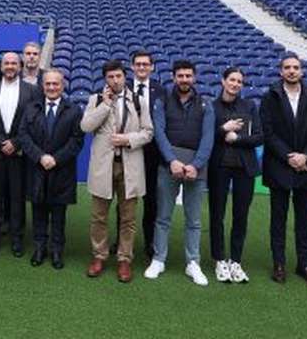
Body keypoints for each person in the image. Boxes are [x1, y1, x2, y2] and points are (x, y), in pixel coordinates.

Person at [260, 53, 307, 286]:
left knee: (304, 220)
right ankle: (279, 264)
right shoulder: (270, 96)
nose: (291, 71)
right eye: (287, 67)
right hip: (279, 165)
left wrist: (306, 155)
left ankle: (304, 264)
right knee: (278, 219)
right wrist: (289, 156)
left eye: (295, 67)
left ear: (301, 71)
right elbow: (268, 132)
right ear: (281, 71)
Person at [81, 59, 153, 283]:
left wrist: (128, 139)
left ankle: (124, 259)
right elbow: (86, 126)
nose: (115, 80)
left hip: (130, 167)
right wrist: (105, 105)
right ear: (105, 79)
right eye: (110, 77)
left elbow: (148, 132)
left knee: (128, 218)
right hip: (103, 167)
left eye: (118, 76)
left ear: (125, 76)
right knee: (98, 216)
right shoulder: (95, 99)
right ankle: (99, 256)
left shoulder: (139, 101)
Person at [145, 60, 215, 285]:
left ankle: (193, 262)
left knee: (193, 220)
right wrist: (172, 161)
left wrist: (196, 164)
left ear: (194, 77)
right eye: (180, 76)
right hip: (169, 167)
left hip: (196, 168)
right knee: (163, 217)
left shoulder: (206, 104)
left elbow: (208, 138)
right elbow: (159, 132)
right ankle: (159, 259)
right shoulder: (162, 101)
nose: (184, 79)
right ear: (174, 77)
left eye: (188, 75)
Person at [17, 70, 84, 270]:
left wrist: (56, 159)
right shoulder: (31, 108)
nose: (52, 87)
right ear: (43, 86)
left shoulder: (74, 110)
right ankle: (39, 248)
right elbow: (23, 135)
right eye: (48, 84)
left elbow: (77, 141)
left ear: (62, 86)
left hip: (61, 170)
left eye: (56, 84)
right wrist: (40, 157)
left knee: (58, 215)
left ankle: (56, 250)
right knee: (38, 211)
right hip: (37, 169)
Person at [208, 67, 263, 284]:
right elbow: (206, 137)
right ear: (223, 81)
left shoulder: (249, 106)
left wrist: (237, 138)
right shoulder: (211, 107)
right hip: (219, 167)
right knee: (217, 215)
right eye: (232, 80)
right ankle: (219, 259)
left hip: (244, 168)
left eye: (239, 81)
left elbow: (259, 137)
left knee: (241, 216)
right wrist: (223, 129)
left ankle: (236, 260)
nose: (235, 84)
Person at [0, 52, 39, 257]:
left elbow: (33, 121)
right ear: (1, 66)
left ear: (20, 66)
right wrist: (0, 142)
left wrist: (15, 142)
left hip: (19, 152)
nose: (10, 66)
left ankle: (17, 238)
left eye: (14, 63)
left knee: (17, 196)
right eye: (6, 63)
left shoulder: (32, 91)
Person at [127, 50, 167, 259]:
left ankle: (150, 242)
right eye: (138, 64)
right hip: (128, 151)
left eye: (145, 64)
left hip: (152, 154)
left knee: (151, 201)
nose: (142, 67)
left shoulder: (161, 91)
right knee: (126, 199)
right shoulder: (123, 87)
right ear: (132, 67)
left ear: (152, 67)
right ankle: (123, 241)